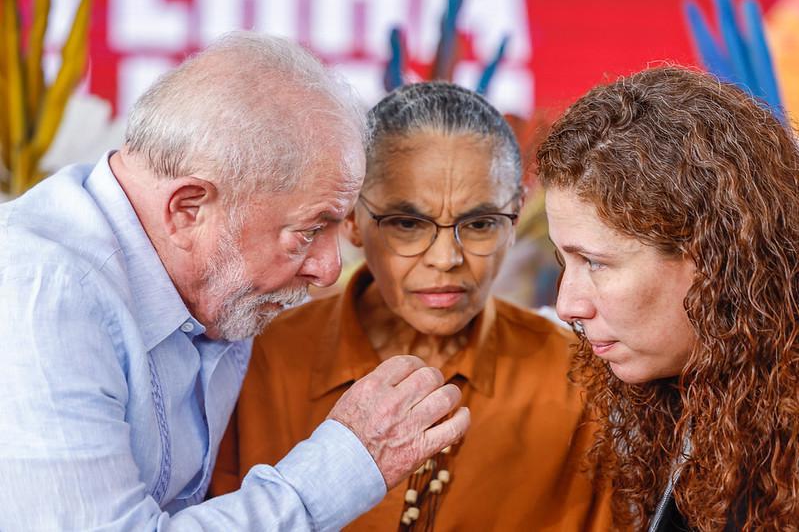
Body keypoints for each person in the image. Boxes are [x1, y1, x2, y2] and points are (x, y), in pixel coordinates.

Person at [0, 33, 469, 531]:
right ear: (188, 209)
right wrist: (349, 463)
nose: (329, 269)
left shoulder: (219, 286)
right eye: (309, 231)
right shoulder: (41, 295)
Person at [210, 81, 612, 531]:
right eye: (406, 223)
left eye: (480, 223)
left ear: (516, 216)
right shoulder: (253, 362)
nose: (445, 259)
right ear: (353, 220)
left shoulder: (580, 377)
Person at [538, 66, 799, 530]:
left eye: (594, 262)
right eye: (564, 261)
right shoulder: (696, 404)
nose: (567, 305)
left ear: (711, 259)